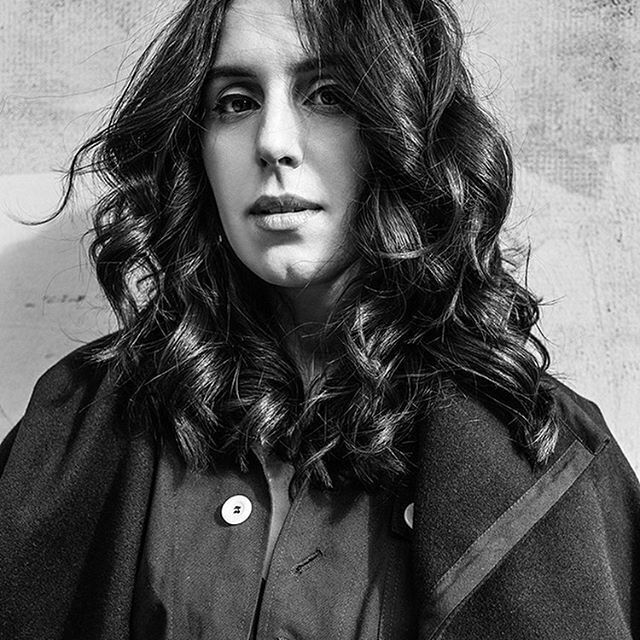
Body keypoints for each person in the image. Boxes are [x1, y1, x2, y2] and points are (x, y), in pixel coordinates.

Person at [1, 0, 639, 638]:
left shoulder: (549, 458)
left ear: (404, 129)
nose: (273, 143)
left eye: (329, 95)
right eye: (235, 102)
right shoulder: (76, 420)